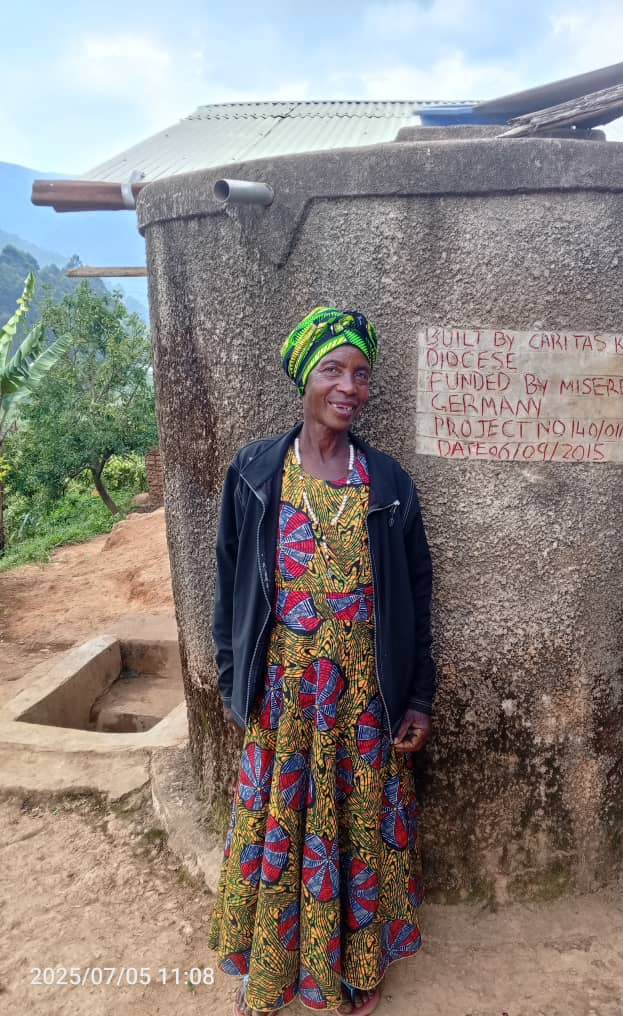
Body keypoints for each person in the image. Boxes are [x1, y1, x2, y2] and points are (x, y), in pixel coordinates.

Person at [208, 307, 436, 1015]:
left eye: (361, 374)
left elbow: (418, 594)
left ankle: (358, 966)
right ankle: (273, 972)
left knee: (358, 828)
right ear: (304, 377)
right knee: (283, 825)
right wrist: (229, 672)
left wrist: (418, 697)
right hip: (283, 695)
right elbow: (228, 579)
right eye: (333, 370)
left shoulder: (389, 483)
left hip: (364, 698)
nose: (350, 386)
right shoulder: (254, 472)